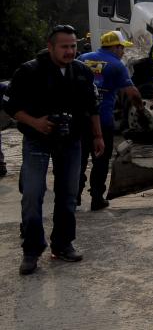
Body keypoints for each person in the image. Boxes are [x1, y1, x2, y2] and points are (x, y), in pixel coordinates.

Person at [4, 24, 104, 275]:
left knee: (69, 194)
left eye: (73, 46)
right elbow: (11, 106)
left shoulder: (81, 72)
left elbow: (92, 106)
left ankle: (62, 244)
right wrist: (36, 122)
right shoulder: (29, 71)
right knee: (32, 193)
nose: (70, 51)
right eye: (64, 46)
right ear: (50, 47)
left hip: (71, 141)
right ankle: (31, 250)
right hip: (37, 140)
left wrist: (98, 136)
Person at [78, 30, 146, 210]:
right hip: (103, 120)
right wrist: (140, 109)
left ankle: (74, 195)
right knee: (100, 159)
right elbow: (132, 93)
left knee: (78, 158)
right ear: (115, 47)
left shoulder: (82, 58)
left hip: (79, 119)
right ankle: (96, 198)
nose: (123, 51)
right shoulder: (117, 65)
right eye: (122, 48)